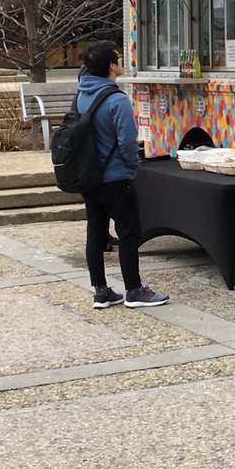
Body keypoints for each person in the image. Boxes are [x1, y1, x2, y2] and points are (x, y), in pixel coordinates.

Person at [76, 41, 170, 310]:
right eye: (118, 57)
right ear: (111, 65)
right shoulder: (117, 100)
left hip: (90, 177)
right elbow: (128, 142)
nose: (121, 61)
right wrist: (131, 168)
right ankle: (134, 291)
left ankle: (101, 292)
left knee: (96, 234)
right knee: (129, 234)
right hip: (116, 178)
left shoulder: (82, 95)